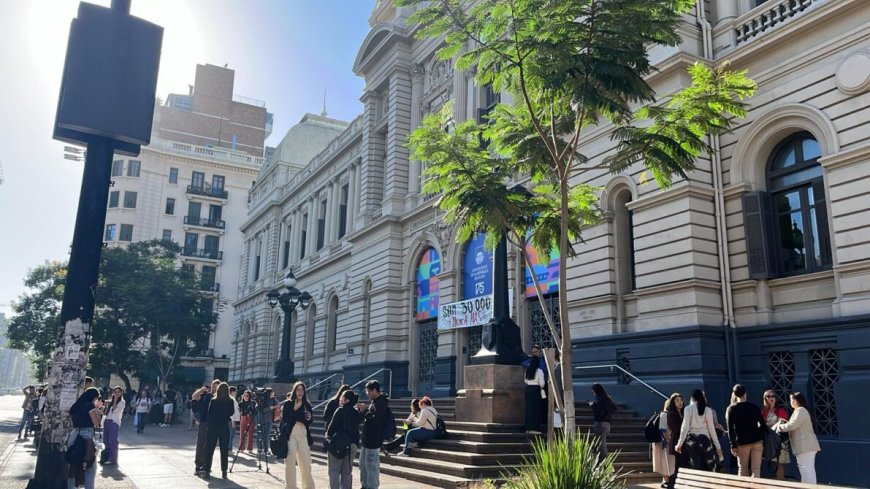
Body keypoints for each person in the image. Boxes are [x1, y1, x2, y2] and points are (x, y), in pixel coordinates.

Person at [774, 392, 820, 484]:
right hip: (803, 447)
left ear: (795, 400)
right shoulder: (798, 411)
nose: (790, 402)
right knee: (806, 470)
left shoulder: (801, 410)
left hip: (805, 447)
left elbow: (792, 425)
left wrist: (779, 427)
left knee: (807, 470)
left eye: (791, 399)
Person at [675, 389, 723, 471]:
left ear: (692, 398)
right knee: (710, 467)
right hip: (705, 440)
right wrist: (718, 448)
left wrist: (679, 444)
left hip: (691, 440)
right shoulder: (708, 410)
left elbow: (684, 427)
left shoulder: (687, 409)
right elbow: (711, 430)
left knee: (696, 467)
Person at [725, 383, 766, 477]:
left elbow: (730, 429)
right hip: (756, 441)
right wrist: (759, 435)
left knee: (742, 469)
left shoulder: (731, 409)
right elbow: (763, 425)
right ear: (745, 393)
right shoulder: (754, 407)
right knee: (756, 469)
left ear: (734, 395)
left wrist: (733, 444)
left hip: (742, 442)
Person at [66, 387, 103, 489]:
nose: (96, 400)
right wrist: (99, 411)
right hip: (86, 436)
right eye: (96, 398)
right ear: (94, 397)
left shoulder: (76, 405)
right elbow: (96, 423)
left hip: (74, 435)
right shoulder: (90, 405)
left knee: (73, 465)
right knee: (90, 466)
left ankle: (71, 487)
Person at [325, 389, 363, 489]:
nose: (340, 398)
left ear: (346, 400)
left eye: (342, 397)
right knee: (347, 471)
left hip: (338, 443)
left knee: (334, 470)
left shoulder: (340, 410)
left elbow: (331, 428)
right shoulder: (356, 413)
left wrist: (328, 437)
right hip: (352, 445)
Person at [282, 381, 315, 489]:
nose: (300, 392)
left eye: (302, 390)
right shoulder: (288, 403)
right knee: (290, 461)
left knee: (306, 461)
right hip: (291, 432)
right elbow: (286, 419)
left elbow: (309, 421)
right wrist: (295, 409)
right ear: (294, 390)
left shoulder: (307, 404)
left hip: (303, 433)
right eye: (298, 389)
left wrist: (309, 418)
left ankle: (308, 487)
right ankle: (291, 487)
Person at [359, 380, 388, 489]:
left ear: (375, 390)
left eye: (368, 391)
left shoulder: (381, 403)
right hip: (367, 440)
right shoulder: (374, 402)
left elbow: (374, 420)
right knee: (363, 466)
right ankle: (365, 486)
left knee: (372, 467)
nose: (367, 393)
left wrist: (365, 409)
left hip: (374, 441)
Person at [202, 382, 234, 480]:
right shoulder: (230, 401)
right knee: (224, 450)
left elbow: (209, 413)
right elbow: (231, 412)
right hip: (224, 426)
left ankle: (207, 470)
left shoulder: (213, 400)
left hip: (213, 427)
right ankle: (224, 471)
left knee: (209, 449)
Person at [192, 380, 220, 475]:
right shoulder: (206, 395)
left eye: (217, 387)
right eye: (214, 386)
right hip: (204, 422)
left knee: (209, 445)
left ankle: (206, 465)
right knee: (201, 443)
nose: (215, 388)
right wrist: (201, 390)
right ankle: (198, 465)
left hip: (214, 424)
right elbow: (194, 397)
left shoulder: (220, 398)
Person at [653, 394, 680, 488]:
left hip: (667, 441)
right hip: (665, 442)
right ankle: (666, 481)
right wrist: (668, 440)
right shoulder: (664, 415)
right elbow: (662, 430)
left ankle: (666, 480)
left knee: (668, 462)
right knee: (666, 462)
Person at [761, 389, 790, 480]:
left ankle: (781, 482)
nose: (771, 398)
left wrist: (767, 425)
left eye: (773, 396)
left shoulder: (780, 410)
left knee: (779, 463)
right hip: (768, 441)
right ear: (765, 398)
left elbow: (782, 424)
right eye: (768, 396)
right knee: (774, 463)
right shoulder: (763, 412)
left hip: (779, 440)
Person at [590, 383, 617, 460]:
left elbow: (598, 412)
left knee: (601, 445)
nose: (593, 394)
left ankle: (606, 465)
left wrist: (592, 405)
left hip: (600, 424)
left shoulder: (601, 400)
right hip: (607, 424)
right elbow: (613, 408)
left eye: (593, 392)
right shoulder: (607, 399)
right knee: (598, 444)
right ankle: (597, 461)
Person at [101, 386, 125, 466]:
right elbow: (105, 412)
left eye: (118, 392)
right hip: (107, 420)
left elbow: (115, 410)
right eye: (115, 392)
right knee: (105, 440)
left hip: (114, 422)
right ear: (113, 392)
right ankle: (107, 456)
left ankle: (112, 459)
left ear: (121, 393)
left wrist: (114, 400)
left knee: (112, 441)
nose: (117, 393)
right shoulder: (109, 401)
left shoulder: (122, 402)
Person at [665, 393, 685, 489]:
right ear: (673, 402)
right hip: (677, 441)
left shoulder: (684, 412)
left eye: (681, 400)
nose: (680, 402)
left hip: (684, 442)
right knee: (678, 466)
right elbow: (676, 428)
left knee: (682, 464)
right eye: (677, 400)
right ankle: (672, 485)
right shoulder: (671, 413)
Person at [523, 355, 545, 434]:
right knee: (536, 409)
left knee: (529, 409)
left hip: (528, 389)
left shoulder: (527, 370)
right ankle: (535, 429)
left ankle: (528, 428)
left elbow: (525, 380)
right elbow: (542, 384)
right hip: (536, 390)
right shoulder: (539, 371)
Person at [228, 386, 241, 453]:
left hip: (234, 419)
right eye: (235, 391)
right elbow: (231, 410)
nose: (236, 393)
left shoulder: (233, 399)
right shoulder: (231, 399)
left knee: (232, 434)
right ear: (232, 391)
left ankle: (229, 448)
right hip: (231, 419)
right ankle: (229, 449)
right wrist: (232, 420)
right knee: (231, 434)